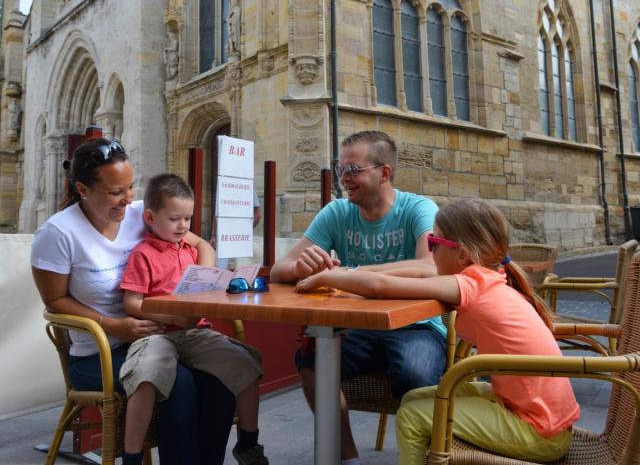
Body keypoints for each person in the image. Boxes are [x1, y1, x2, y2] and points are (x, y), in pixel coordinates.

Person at [296, 197, 580, 464]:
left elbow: (378, 287)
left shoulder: (470, 284)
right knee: (413, 398)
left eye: (433, 242)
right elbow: (416, 273)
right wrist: (348, 274)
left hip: (538, 431)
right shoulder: (490, 278)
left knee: (410, 416)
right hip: (541, 415)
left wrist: (326, 276)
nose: (429, 251)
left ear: (463, 254)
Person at [30, 138, 236, 465]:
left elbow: (203, 247)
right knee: (178, 383)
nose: (127, 198)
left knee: (219, 378)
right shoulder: (57, 233)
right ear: (83, 189)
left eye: (130, 187)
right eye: (115, 192)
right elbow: (55, 301)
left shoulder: (141, 213)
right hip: (100, 353)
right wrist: (115, 326)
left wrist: (202, 282)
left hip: (164, 339)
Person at [270, 130, 446, 465]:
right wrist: (302, 267)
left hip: (416, 325)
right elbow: (280, 269)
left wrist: (352, 275)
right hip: (356, 326)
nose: (344, 179)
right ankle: (347, 458)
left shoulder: (418, 209)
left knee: (415, 374)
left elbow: (431, 266)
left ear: (384, 173)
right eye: (341, 170)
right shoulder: (336, 212)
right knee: (311, 363)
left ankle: (428, 457)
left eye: (353, 171)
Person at [119, 173, 268, 465]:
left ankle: (249, 444)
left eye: (188, 219)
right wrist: (170, 314)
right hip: (158, 334)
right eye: (175, 218)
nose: (183, 226)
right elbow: (131, 302)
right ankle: (132, 457)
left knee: (247, 364)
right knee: (146, 376)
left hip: (195, 333)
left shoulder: (190, 251)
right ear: (150, 216)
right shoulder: (143, 254)